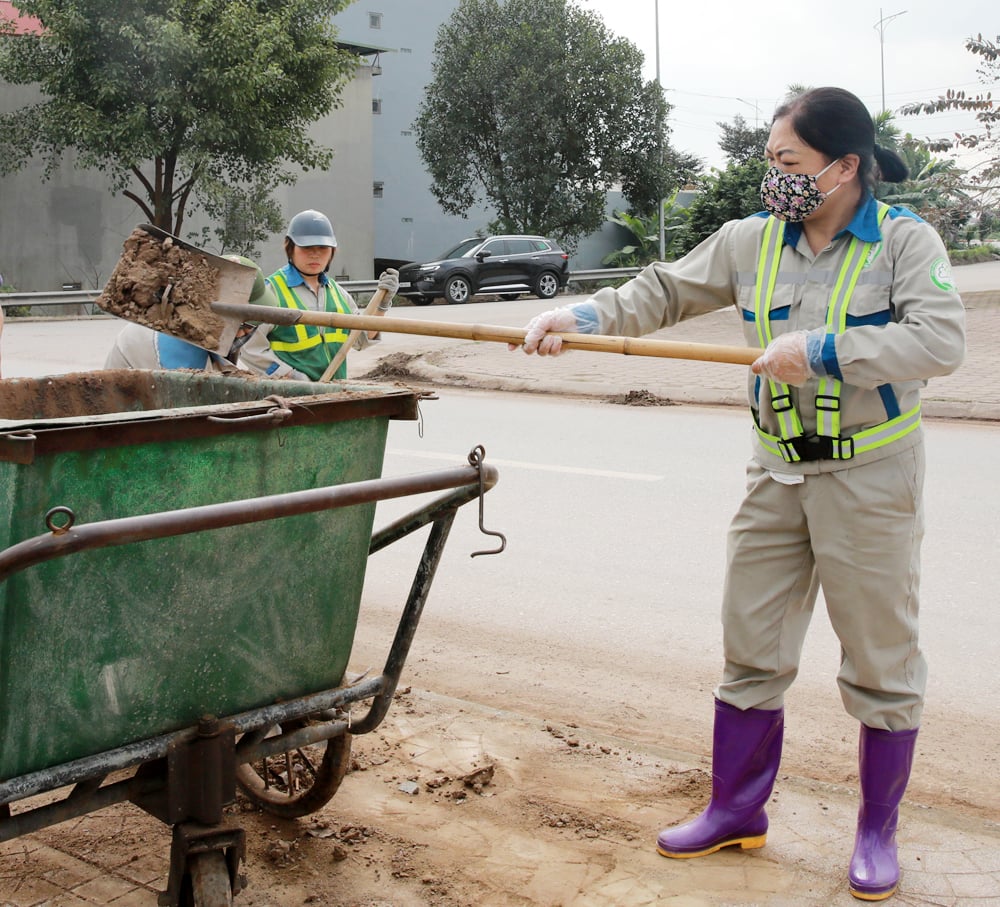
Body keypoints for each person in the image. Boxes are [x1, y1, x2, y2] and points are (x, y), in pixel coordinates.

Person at [514, 87, 965, 902]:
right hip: (775, 471)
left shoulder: (905, 241)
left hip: (870, 472)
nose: (775, 179)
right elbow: (659, 290)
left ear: (845, 167)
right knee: (750, 642)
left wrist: (822, 349)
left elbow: (940, 341)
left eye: (788, 163)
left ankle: (876, 828)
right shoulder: (750, 240)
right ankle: (735, 809)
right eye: (769, 162)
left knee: (881, 657)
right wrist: (581, 311)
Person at [239, 209, 399, 382]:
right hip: (288, 398)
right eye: (307, 247)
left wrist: (381, 305)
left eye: (322, 248)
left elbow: (362, 340)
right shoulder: (272, 292)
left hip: (332, 394)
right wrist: (290, 376)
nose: (315, 254)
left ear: (332, 251)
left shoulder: (338, 294)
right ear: (290, 247)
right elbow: (250, 349)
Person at [104, 255, 277, 372]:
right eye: (244, 326)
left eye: (252, 327)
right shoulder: (176, 348)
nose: (246, 333)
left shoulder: (200, 328)